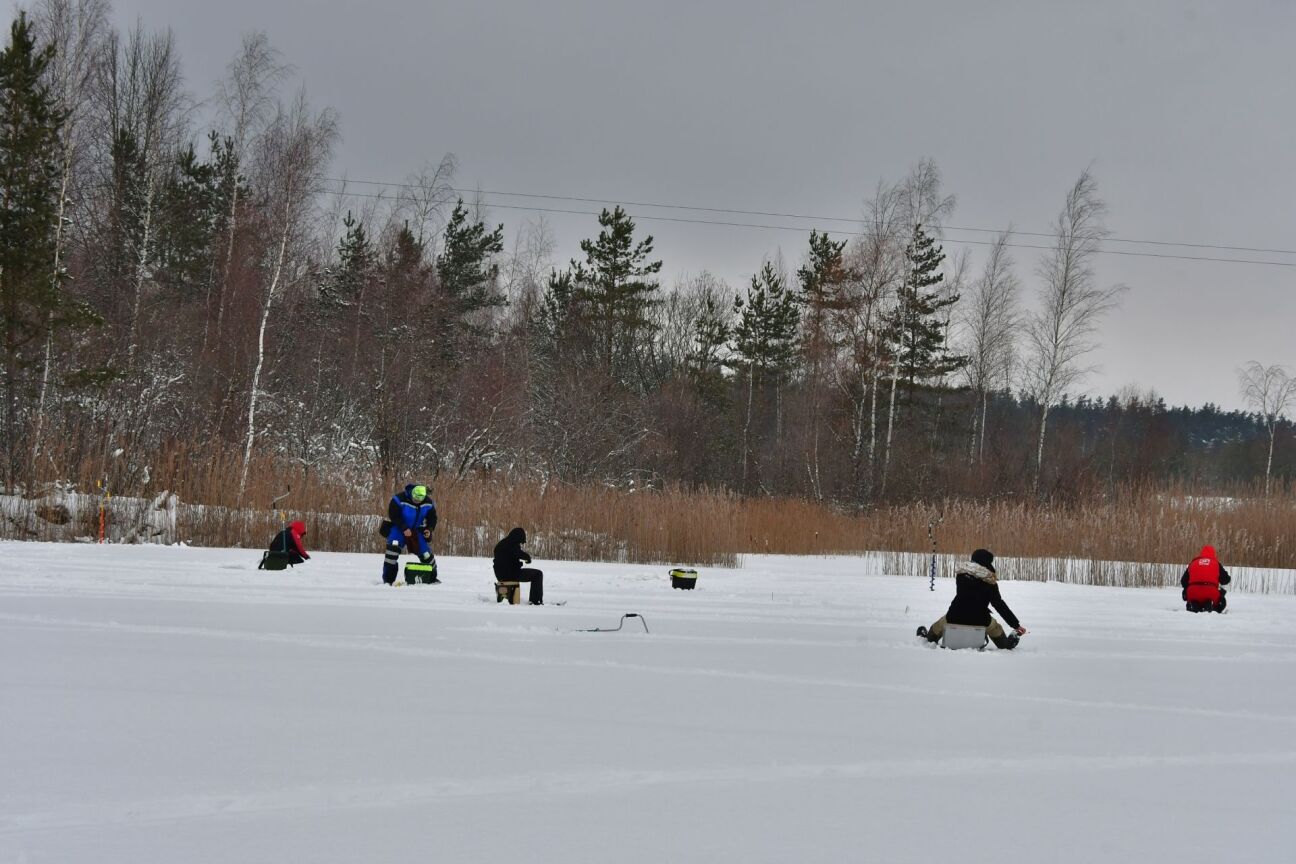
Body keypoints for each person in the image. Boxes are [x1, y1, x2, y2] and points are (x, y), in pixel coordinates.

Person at [917, 548, 1026, 649]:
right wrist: (1015, 625)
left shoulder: (961, 575)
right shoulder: (990, 582)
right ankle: (1008, 643)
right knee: (996, 630)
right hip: (981, 619)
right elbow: (999, 605)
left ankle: (927, 638)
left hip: (955, 615)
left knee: (938, 627)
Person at [382, 483, 438, 585]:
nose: (417, 501)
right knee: (392, 553)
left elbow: (432, 518)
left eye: (419, 499)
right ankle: (388, 581)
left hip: (416, 530)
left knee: (426, 555)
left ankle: (432, 579)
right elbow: (393, 515)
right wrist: (404, 528)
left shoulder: (428, 503)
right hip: (399, 528)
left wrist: (429, 529)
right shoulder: (399, 499)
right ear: (412, 493)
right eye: (415, 498)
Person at [492, 527, 543, 605]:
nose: (520, 544)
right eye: (520, 541)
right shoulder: (512, 544)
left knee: (535, 574)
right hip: (511, 574)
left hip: (500, 575)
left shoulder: (501, 544)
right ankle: (535, 601)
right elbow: (519, 554)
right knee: (538, 574)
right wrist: (528, 558)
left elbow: (509, 559)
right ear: (518, 537)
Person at [1182, 545, 1230, 613]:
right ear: (1213, 554)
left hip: (1192, 593)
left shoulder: (1193, 562)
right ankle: (1210, 605)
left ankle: (1194, 604)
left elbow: (1183, 582)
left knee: (1191, 593)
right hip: (1211, 592)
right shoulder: (1216, 563)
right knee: (1221, 601)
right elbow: (1226, 580)